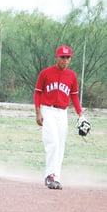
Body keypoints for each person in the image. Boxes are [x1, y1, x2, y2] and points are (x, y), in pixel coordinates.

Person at [34, 45, 85, 190]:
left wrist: (80, 114)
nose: (65, 60)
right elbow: (37, 93)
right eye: (62, 57)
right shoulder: (45, 73)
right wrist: (38, 112)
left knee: (61, 145)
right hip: (47, 110)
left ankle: (56, 177)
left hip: (62, 112)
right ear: (56, 57)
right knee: (53, 142)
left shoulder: (72, 76)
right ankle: (49, 175)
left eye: (68, 57)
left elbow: (74, 96)